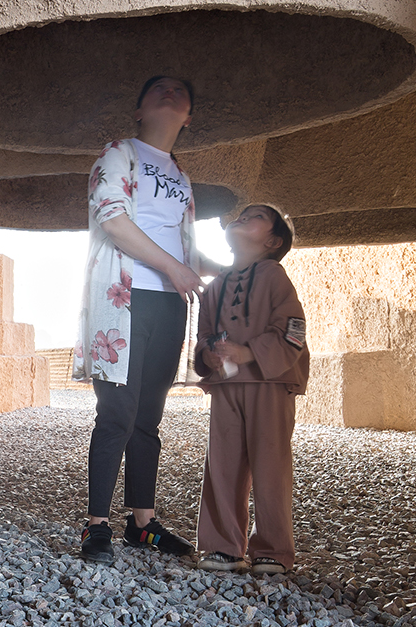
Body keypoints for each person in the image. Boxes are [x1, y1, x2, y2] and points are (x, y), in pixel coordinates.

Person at [73, 73, 222, 565]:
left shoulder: (180, 174)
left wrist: (234, 269)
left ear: (189, 116)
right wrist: (175, 267)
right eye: (158, 88)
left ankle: (142, 523)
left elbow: (187, 247)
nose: (172, 91)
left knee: (148, 418)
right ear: (139, 110)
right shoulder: (119, 153)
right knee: (116, 412)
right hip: (124, 295)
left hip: (167, 302)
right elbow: (113, 219)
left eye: (182, 90)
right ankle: (96, 525)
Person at [193, 203, 310, 574]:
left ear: (273, 241)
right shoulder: (214, 288)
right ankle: (223, 547)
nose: (243, 216)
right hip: (227, 387)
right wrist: (207, 356)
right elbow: (204, 336)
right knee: (222, 466)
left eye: (256, 216)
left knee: (270, 464)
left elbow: (294, 328)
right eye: (241, 213)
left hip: (270, 383)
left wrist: (248, 352)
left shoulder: (275, 276)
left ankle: (273, 550)